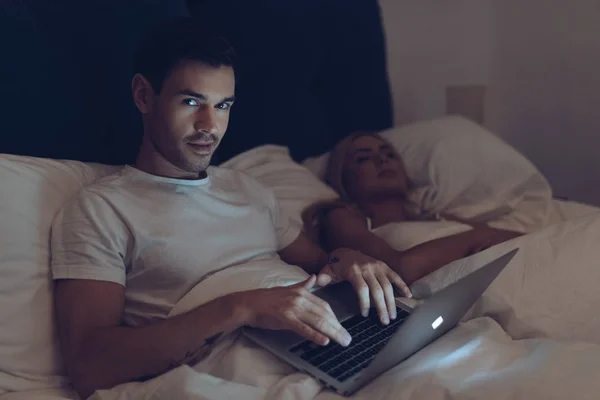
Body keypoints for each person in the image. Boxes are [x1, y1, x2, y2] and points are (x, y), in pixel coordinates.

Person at [50, 18, 411, 399]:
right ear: (143, 95)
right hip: (239, 367)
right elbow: (89, 366)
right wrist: (242, 308)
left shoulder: (248, 189)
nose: (210, 125)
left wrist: (349, 258)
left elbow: (321, 265)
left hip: (325, 341)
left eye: (222, 105)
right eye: (191, 102)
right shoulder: (101, 209)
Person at [311, 132, 522, 285]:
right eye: (364, 158)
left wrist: (480, 238)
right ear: (343, 178)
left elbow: (519, 239)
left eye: (389, 154)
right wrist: (475, 239)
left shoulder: (437, 218)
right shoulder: (341, 216)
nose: (382, 160)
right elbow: (399, 269)